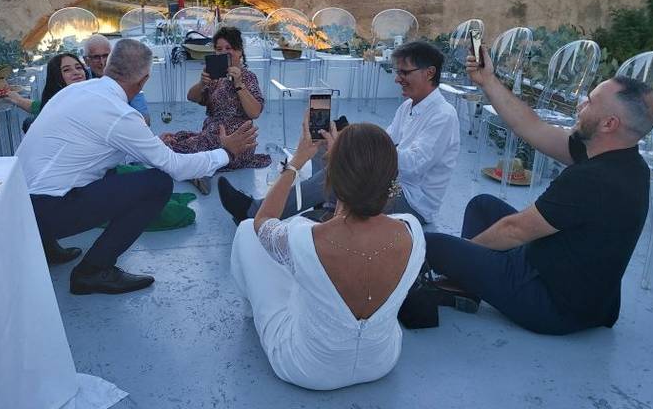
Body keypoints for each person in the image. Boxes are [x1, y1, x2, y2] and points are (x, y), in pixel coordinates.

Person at [421, 45, 653, 335]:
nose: (580, 105)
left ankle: (465, 282)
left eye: (590, 102)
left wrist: (459, 260)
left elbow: (515, 230)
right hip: (581, 291)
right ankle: (469, 288)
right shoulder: (623, 160)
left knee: (431, 245)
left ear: (609, 123)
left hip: (551, 304)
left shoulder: (594, 180)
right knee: (482, 205)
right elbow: (531, 126)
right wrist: (488, 81)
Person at [16, 39, 259, 295]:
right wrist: (226, 152)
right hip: (42, 213)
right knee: (157, 184)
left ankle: (46, 246)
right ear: (144, 80)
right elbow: (176, 168)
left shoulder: (74, 92)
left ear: (109, 65)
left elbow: (93, 148)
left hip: (16, 203)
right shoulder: (120, 114)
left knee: (104, 169)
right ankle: (93, 271)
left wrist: (151, 144)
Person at [230, 116, 425, 390]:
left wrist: (296, 163)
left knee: (247, 231)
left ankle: (252, 312)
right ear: (391, 180)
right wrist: (338, 168)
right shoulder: (412, 231)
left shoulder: (303, 237)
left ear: (332, 178)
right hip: (381, 361)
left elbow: (264, 220)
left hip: (306, 367)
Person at [220, 40, 460, 226]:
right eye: (397, 72)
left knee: (340, 173)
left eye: (404, 73)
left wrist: (356, 148)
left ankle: (253, 212)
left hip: (410, 199)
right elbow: (386, 142)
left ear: (429, 73)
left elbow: (412, 165)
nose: (398, 79)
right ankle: (328, 204)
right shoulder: (409, 106)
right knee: (321, 140)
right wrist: (351, 141)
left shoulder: (443, 115)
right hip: (388, 181)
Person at [160, 26, 269, 193]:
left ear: (239, 51)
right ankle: (199, 170)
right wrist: (202, 83)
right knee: (170, 139)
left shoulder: (247, 77)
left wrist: (238, 84)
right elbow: (192, 97)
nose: (223, 53)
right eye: (219, 49)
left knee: (174, 151)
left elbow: (255, 112)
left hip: (236, 141)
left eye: (229, 48)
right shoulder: (215, 77)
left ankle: (198, 172)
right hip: (211, 135)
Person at [84, 34, 150, 124]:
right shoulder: (80, 79)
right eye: (96, 57)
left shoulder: (128, 78)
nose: (102, 62)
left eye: (105, 56)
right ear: (86, 61)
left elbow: (144, 119)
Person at [6, 52, 88, 116]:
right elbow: (41, 107)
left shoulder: (96, 95)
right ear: (56, 76)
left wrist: (19, 100)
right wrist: (18, 100)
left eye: (78, 67)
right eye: (66, 70)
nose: (76, 72)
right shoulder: (57, 108)